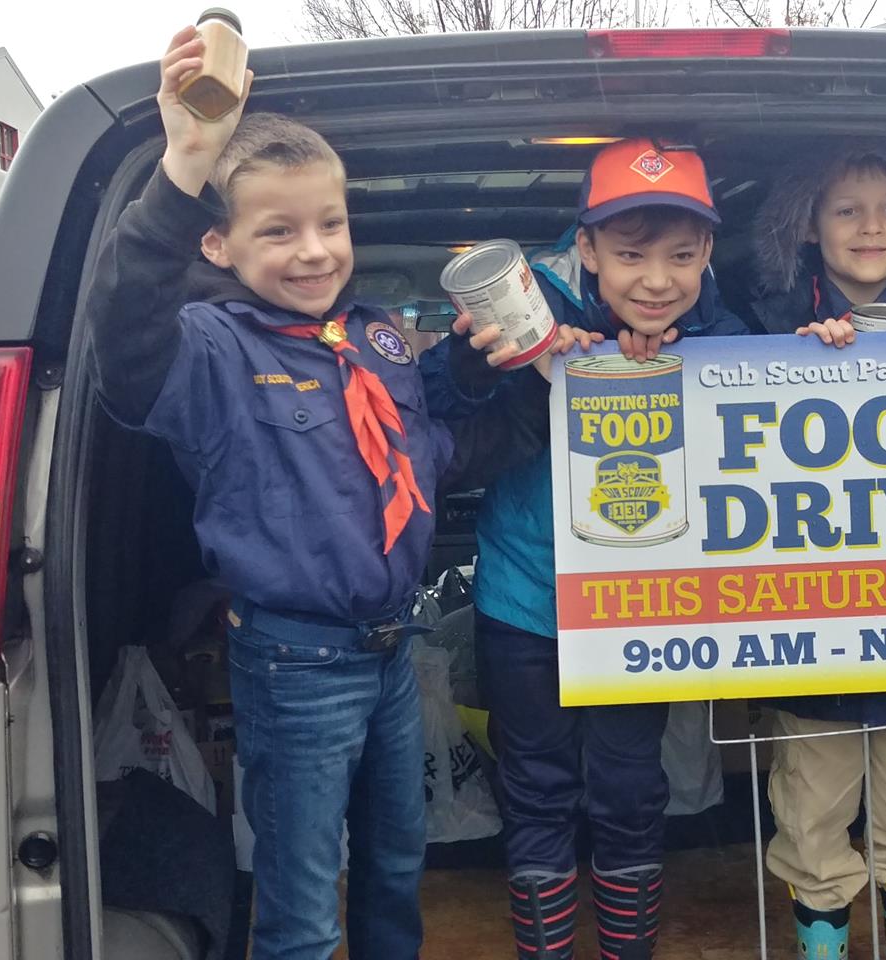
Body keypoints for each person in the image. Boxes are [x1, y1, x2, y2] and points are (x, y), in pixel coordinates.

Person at [80, 26, 589, 959]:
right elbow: (125, 340)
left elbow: (437, 454)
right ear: (218, 244)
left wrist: (525, 382)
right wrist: (183, 163)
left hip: (393, 651)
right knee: (305, 902)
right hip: (296, 664)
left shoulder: (376, 337)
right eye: (278, 231)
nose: (314, 252)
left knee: (397, 867)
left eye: (330, 224)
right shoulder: (210, 350)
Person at [419, 137, 749, 960]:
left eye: (681, 256)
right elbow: (435, 411)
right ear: (590, 250)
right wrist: (479, 362)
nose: (657, 279)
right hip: (525, 602)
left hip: (641, 607)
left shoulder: (726, 333)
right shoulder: (528, 313)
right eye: (631, 254)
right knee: (536, 788)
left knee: (630, 788)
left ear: (708, 252)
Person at [746, 140, 886, 960]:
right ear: (810, 225)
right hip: (808, 632)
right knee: (811, 818)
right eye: (847, 209)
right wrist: (794, 363)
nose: (871, 227)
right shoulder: (763, 325)